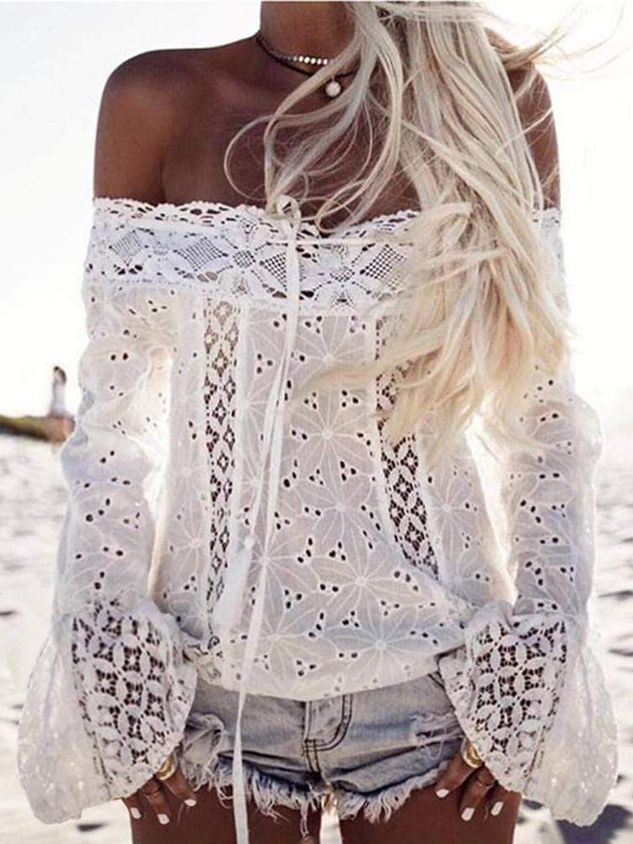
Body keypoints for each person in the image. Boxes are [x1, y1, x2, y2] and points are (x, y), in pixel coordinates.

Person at [17, 3, 619, 844]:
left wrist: (537, 657)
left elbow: (543, 411)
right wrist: (111, 657)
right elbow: (111, 427)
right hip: (201, 698)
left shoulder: (496, 96)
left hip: (442, 694)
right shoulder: (156, 99)